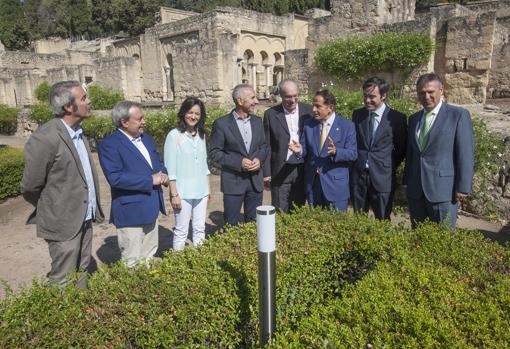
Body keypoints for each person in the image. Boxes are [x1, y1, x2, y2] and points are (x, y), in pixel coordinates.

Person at [21, 80, 104, 288]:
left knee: (82, 270)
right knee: (63, 278)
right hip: (63, 222)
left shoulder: (78, 132)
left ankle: (80, 317)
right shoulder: (45, 138)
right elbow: (30, 187)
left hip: (84, 216)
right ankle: (60, 319)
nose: (89, 101)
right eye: (84, 98)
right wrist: (54, 208)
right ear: (69, 107)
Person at [98, 101, 168, 267]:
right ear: (124, 122)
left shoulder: (146, 138)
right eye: (140, 118)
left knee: (149, 255)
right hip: (131, 211)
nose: (144, 121)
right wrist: (150, 180)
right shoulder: (110, 144)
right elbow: (115, 177)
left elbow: (157, 162)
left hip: (151, 206)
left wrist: (163, 173)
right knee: (132, 260)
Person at [404, 73, 474, 229]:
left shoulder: (458, 115)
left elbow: (465, 153)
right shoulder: (414, 119)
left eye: (430, 92)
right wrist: (406, 181)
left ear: (441, 91)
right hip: (416, 191)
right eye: (422, 93)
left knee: (443, 240)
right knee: (418, 238)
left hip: (443, 191)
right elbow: (412, 154)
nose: (426, 96)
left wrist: (463, 186)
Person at [209, 84, 269, 225]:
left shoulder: (257, 121)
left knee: (255, 224)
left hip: (255, 182)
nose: (257, 101)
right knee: (231, 224)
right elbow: (214, 153)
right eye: (252, 98)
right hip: (233, 182)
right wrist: (238, 162)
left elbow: (264, 146)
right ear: (240, 101)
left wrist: (259, 159)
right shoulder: (221, 124)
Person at [289, 89, 357, 211]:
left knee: (337, 226)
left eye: (318, 106)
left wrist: (337, 152)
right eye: (313, 105)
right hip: (313, 185)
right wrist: (300, 150)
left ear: (330, 107)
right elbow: (305, 150)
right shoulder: (309, 125)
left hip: (335, 187)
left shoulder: (346, 126)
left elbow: (353, 153)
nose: (313, 109)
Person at [350, 77, 407, 220]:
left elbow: (401, 149)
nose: (367, 100)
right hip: (359, 177)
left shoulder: (397, 118)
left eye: (372, 96)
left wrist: (385, 163)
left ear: (383, 96)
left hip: (383, 178)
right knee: (358, 221)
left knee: (382, 220)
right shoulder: (358, 115)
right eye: (365, 96)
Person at [163, 97, 210, 250]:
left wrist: (208, 190)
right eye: (190, 112)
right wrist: (174, 194)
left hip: (201, 191)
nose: (193, 117)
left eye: (197, 114)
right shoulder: (174, 135)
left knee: (199, 228)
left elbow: (204, 165)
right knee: (181, 231)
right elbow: (170, 168)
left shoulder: (201, 135)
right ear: (183, 113)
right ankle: (178, 265)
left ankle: (200, 263)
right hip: (182, 192)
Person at [263, 79, 313, 212]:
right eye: (288, 97)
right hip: (280, 167)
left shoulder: (308, 111)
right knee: (279, 207)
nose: (293, 100)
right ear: (280, 95)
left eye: (295, 96)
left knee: (298, 207)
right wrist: (266, 173)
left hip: (302, 166)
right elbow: (267, 145)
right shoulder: (271, 114)